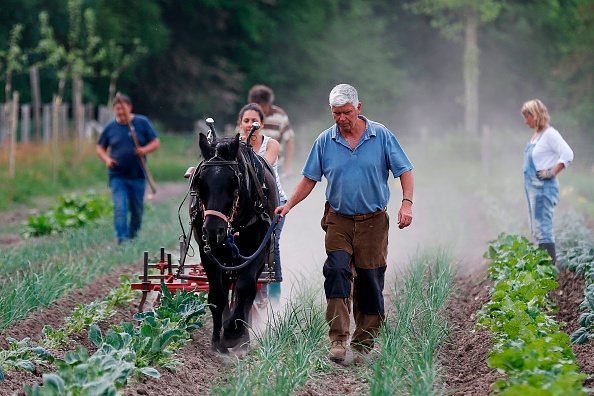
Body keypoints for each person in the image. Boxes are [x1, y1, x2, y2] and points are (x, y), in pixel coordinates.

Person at [275, 84, 414, 364]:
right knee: (337, 270)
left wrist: (407, 203)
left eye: (346, 112)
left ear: (358, 108)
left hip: (374, 222)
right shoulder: (325, 141)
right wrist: (289, 204)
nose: (341, 119)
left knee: (370, 281)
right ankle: (338, 340)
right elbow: (309, 179)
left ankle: (363, 345)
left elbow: (404, 170)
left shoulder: (381, 135)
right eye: (336, 113)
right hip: (338, 219)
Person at [238, 103, 287, 297]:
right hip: (246, 207)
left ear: (262, 123)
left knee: (271, 245)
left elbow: (263, 164)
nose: (250, 124)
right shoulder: (235, 145)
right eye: (246, 121)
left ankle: (274, 296)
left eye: (254, 121)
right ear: (240, 123)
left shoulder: (271, 144)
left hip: (273, 203)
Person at [96, 94, 160, 244]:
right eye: (117, 109)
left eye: (122, 108)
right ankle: (122, 241)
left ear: (129, 107)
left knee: (137, 211)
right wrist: (107, 159)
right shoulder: (110, 127)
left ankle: (133, 236)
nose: (120, 111)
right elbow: (100, 147)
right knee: (120, 209)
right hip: (118, 176)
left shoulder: (142, 122)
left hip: (138, 175)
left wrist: (144, 150)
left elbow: (155, 142)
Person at [521, 99, 573, 264]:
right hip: (533, 189)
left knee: (543, 228)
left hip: (543, 189)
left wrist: (552, 172)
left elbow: (568, 154)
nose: (525, 121)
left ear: (535, 115)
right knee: (536, 229)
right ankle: (543, 265)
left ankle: (549, 268)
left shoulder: (550, 134)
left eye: (527, 117)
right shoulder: (537, 135)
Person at [248, 84, 295, 178]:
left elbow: (289, 140)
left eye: (262, 106)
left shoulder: (279, 116)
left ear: (268, 103)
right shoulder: (248, 116)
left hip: (275, 165)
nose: (259, 110)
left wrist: (288, 167)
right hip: (249, 165)